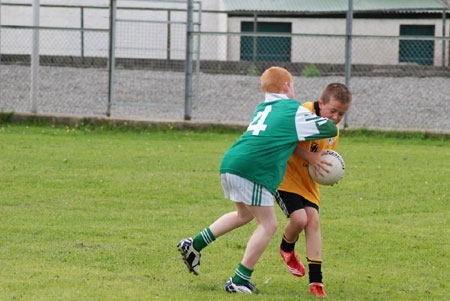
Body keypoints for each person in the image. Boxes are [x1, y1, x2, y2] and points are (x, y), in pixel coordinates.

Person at [177, 66, 338, 294]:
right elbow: (329, 127)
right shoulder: (293, 109)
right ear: (286, 87)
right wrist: (316, 111)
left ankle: (194, 244)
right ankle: (239, 280)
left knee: (244, 215)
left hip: (231, 162)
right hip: (252, 168)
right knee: (269, 225)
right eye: (293, 86)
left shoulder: (262, 108)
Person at [275, 83, 352, 297]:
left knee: (313, 220)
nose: (336, 117)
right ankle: (286, 248)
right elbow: (285, 141)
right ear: (321, 104)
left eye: (342, 114)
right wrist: (310, 157)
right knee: (299, 220)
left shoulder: (333, 132)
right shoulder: (304, 112)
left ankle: (316, 283)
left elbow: (324, 159)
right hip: (285, 177)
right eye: (333, 111)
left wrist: (329, 174)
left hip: (307, 183)